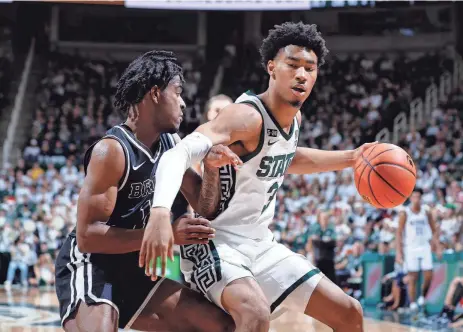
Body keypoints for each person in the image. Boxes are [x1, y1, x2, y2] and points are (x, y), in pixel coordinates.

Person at [143, 22, 374, 332]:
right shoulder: (246, 116)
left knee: (349, 313)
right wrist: (159, 213)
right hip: (214, 242)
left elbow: (289, 157)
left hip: (261, 245)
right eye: (292, 65)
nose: (302, 74)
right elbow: (176, 155)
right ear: (271, 68)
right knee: (255, 314)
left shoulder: (293, 119)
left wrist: (351, 158)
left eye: (310, 68)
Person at [55, 50, 237, 332]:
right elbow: (88, 237)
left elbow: (205, 206)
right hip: (93, 265)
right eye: (177, 93)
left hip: (135, 265)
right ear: (155, 93)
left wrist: (211, 168)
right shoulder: (112, 151)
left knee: (220, 325)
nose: (184, 103)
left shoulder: (169, 144)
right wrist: (163, 234)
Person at [395, 187, 441, 311]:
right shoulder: (405, 212)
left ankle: (422, 296)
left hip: (425, 245)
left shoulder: (426, 211)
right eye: (414, 196)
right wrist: (398, 252)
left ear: (421, 198)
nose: (416, 199)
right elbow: (399, 233)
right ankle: (412, 303)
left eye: (418, 197)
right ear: (410, 198)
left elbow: (434, 229)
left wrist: (437, 246)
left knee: (429, 275)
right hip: (410, 247)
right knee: (412, 277)